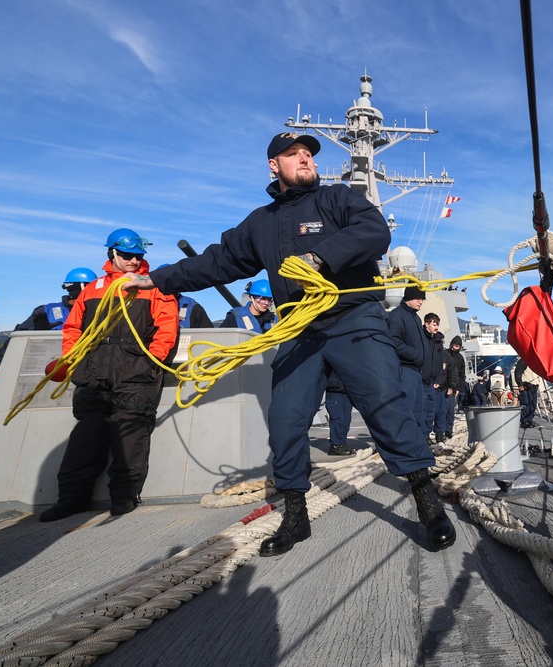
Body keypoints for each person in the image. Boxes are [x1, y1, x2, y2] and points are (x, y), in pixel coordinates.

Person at [121, 131, 455, 555]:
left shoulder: (338, 199)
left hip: (353, 317)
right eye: (293, 154)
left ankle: (428, 505)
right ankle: (296, 516)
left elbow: (373, 232)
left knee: (385, 405)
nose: (305, 159)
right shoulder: (261, 223)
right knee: (286, 420)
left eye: (308, 154)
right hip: (299, 327)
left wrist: (319, 258)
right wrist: (158, 278)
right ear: (274, 166)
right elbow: (218, 260)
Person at [39, 229, 179, 521]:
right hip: (94, 373)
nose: (133, 261)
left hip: (136, 373)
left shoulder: (153, 287)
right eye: (127, 255)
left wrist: (151, 361)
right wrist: (73, 359)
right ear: (112, 254)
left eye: (138, 256)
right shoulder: (93, 289)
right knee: (86, 436)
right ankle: (72, 498)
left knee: (130, 433)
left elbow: (167, 328)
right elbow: (73, 328)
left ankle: (124, 495)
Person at [386, 286, 428, 430]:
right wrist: (415, 355)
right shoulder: (397, 316)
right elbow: (394, 341)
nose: (421, 302)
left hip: (416, 371)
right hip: (404, 370)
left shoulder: (416, 318)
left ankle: (413, 445)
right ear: (408, 298)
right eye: (418, 298)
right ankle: (402, 445)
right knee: (406, 411)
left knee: (417, 412)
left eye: (422, 299)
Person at [15, 268, 97, 331]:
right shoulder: (46, 312)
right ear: (82, 287)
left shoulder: (101, 311)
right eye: (94, 287)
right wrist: (39, 332)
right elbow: (19, 336)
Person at [422, 312, 447, 444]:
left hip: (432, 382)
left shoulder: (438, 341)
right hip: (420, 380)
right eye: (434, 324)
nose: (436, 327)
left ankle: (426, 435)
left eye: (437, 324)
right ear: (427, 324)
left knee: (431, 410)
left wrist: (438, 379)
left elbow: (438, 363)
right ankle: (420, 436)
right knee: (421, 409)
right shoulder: (421, 337)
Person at [324, 366, 354, 456]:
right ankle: (335, 445)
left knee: (346, 419)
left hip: (346, 390)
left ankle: (342, 443)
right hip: (334, 391)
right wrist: (335, 383)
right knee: (337, 419)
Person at [443, 336, 466, 438]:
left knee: (450, 411)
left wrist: (458, 388)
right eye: (455, 344)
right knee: (440, 410)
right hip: (443, 385)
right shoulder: (445, 354)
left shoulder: (460, 358)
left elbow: (462, 374)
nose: (456, 346)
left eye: (458, 345)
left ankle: (448, 430)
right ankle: (440, 431)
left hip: (454, 387)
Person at [514, 357, 540, 428]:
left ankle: (530, 420)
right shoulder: (523, 361)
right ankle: (524, 421)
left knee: (533, 405)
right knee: (525, 404)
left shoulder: (536, 362)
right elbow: (517, 373)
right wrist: (520, 384)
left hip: (534, 386)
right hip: (526, 386)